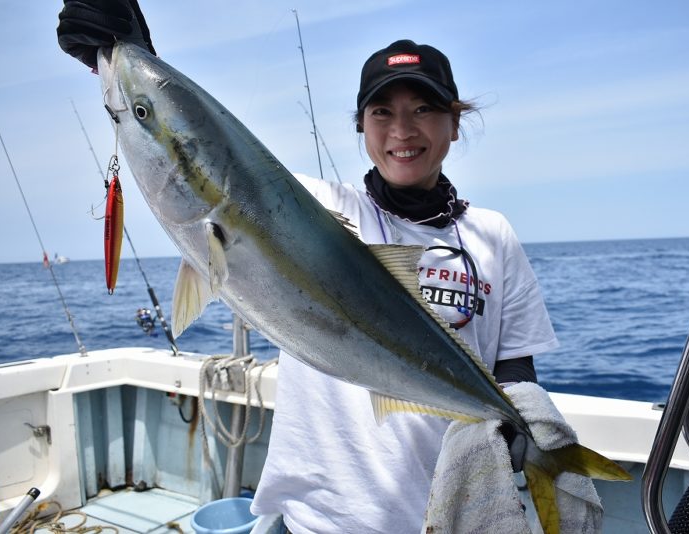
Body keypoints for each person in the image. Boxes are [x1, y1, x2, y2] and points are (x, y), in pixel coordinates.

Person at [57, 3, 563, 533]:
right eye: (382, 112)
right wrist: (132, 56)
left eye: (424, 109)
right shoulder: (313, 208)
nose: (402, 130)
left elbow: (515, 365)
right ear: (362, 126)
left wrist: (516, 418)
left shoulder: (493, 235)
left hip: (449, 515)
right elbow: (226, 160)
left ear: (455, 124)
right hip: (318, 520)